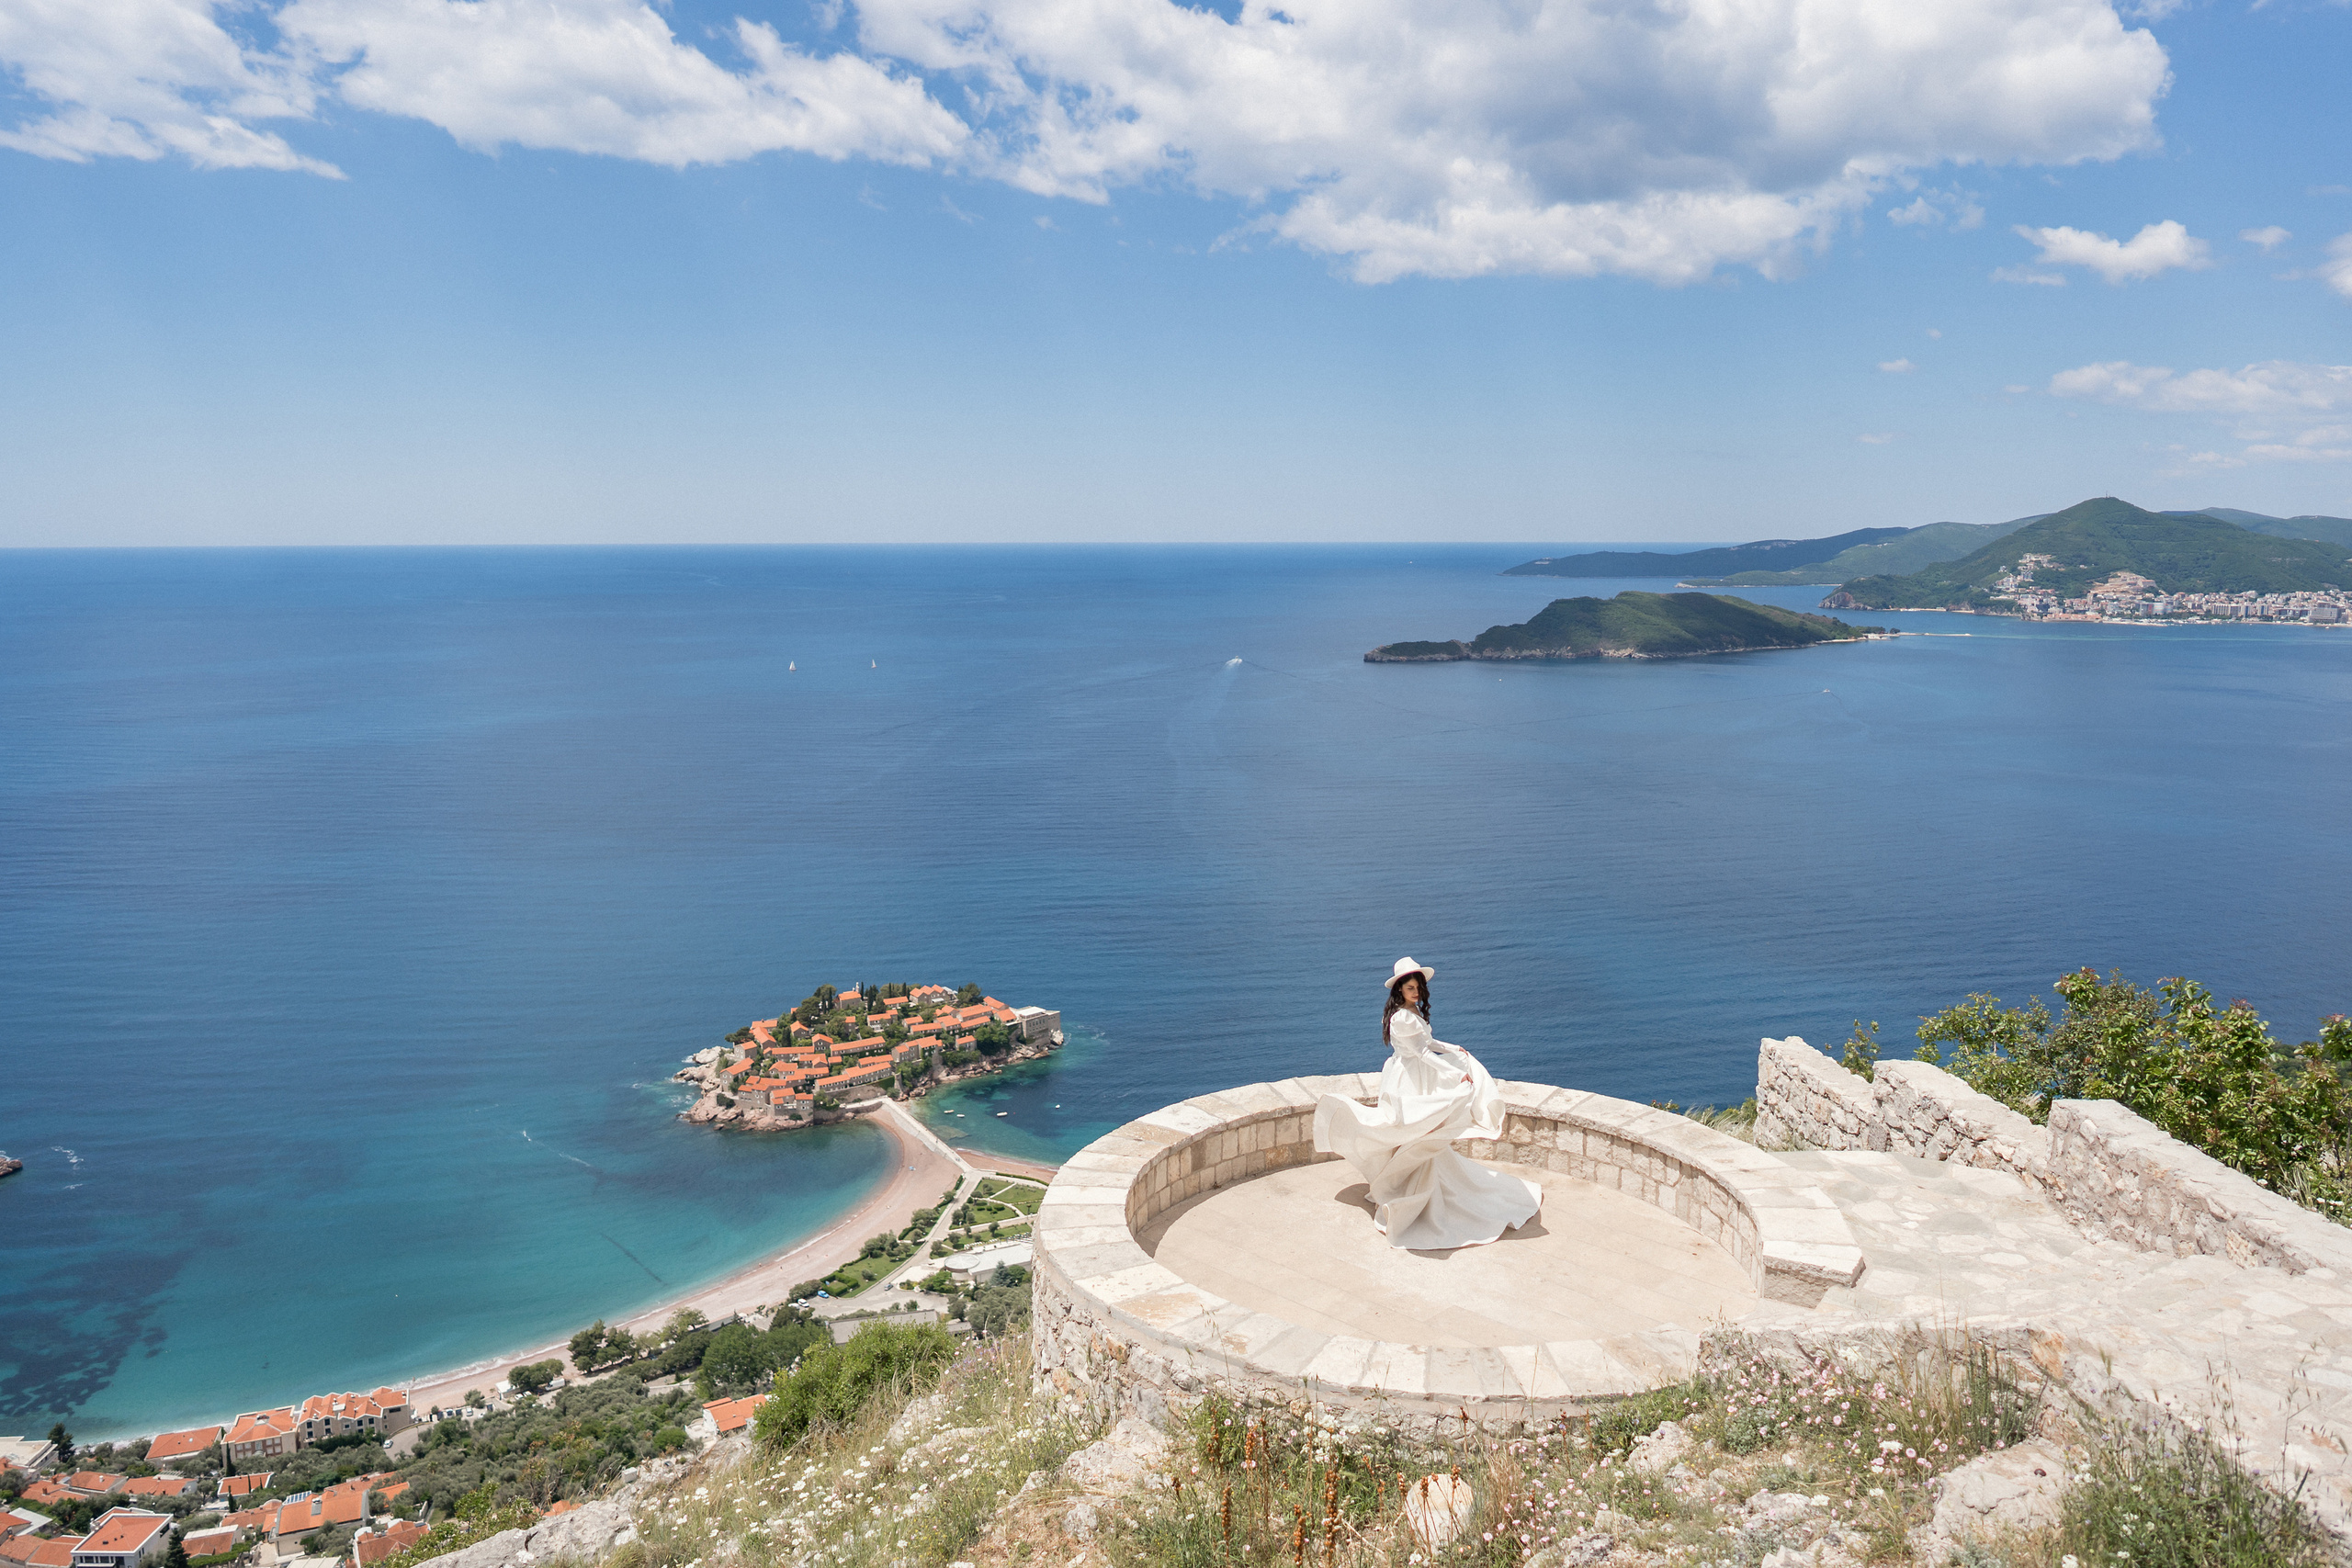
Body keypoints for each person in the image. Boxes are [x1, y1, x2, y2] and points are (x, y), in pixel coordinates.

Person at [1313, 957, 1542, 1250]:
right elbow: (1421, 1054)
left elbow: (1427, 1043)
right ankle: (1409, 1193)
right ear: (1399, 989)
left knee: (1420, 1132)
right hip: (1410, 1078)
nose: (1416, 992)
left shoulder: (1409, 1011)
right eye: (1410, 988)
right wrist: (1455, 1074)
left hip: (1413, 1073)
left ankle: (1415, 1188)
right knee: (1416, 1131)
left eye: (1418, 987)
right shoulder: (1402, 1018)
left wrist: (1454, 1049)